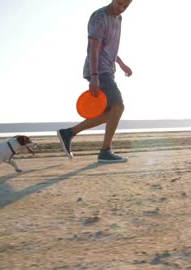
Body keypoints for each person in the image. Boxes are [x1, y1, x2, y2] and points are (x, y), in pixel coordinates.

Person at [58, 0, 133, 163]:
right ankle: (105, 151)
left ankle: (68, 133)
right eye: (119, 4)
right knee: (118, 106)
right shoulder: (99, 17)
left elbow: (109, 46)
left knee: (110, 113)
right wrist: (94, 76)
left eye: (125, 6)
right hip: (99, 70)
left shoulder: (118, 19)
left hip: (108, 69)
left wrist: (120, 63)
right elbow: (94, 48)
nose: (121, 9)